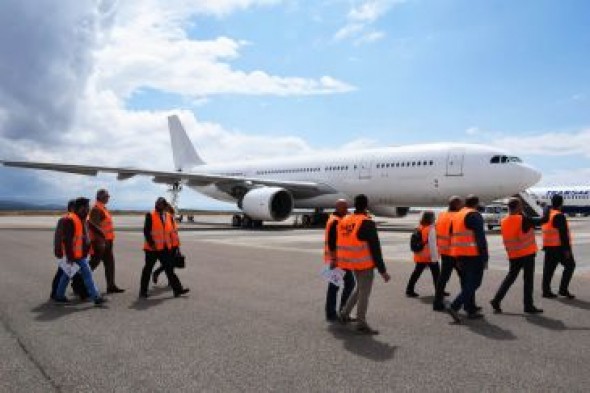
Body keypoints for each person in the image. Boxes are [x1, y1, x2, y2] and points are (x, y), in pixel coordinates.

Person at [338, 194, 391, 335]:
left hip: (351, 262)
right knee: (364, 294)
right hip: (364, 263)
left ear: (354, 205)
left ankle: (344, 313)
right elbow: (375, 248)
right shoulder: (366, 222)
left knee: (359, 289)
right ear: (366, 206)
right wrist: (383, 271)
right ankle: (361, 323)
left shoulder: (346, 219)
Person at [490, 198, 543, 313]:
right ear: (518, 207)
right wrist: (547, 208)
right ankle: (528, 306)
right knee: (528, 281)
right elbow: (543, 220)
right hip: (527, 254)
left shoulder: (504, 221)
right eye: (521, 205)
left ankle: (496, 300)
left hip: (513, 254)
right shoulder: (522, 219)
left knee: (510, 278)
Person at [54, 197, 106, 305]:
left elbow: (92, 227)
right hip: (75, 255)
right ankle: (96, 297)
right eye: (87, 207)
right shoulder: (70, 220)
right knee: (87, 275)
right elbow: (67, 240)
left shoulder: (82, 219)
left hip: (79, 254)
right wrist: (70, 257)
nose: (88, 209)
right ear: (81, 208)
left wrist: (102, 234)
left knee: (66, 275)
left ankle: (59, 295)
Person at [446, 195, 487, 322]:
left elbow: (452, 235)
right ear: (476, 203)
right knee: (475, 283)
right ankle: (454, 306)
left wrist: (457, 256)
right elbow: (480, 238)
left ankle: (470, 309)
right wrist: (484, 257)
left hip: (461, 255)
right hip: (474, 255)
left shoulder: (458, 215)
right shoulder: (474, 215)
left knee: (468, 283)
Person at [139, 197, 189, 298]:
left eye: (160, 204)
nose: (157, 205)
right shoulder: (150, 215)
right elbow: (146, 231)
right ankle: (143, 292)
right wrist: (152, 244)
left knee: (170, 269)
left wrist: (175, 246)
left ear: (164, 205)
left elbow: (172, 233)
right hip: (151, 249)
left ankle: (178, 290)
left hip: (164, 249)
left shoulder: (169, 216)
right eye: (156, 203)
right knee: (147, 269)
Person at [88, 189, 125, 294]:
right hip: (100, 243)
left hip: (107, 241)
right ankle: (77, 284)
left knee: (109, 263)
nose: (108, 198)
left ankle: (111, 286)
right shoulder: (96, 209)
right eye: (106, 196)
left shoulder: (103, 208)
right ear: (100, 197)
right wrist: (101, 243)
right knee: (93, 263)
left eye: (108, 196)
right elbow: (94, 227)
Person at [324, 199, 355, 322]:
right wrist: (333, 259)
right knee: (336, 286)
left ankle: (341, 311)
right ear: (338, 208)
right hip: (337, 261)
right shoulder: (335, 222)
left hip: (343, 260)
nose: (347, 210)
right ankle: (334, 313)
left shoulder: (338, 219)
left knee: (345, 285)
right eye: (344, 207)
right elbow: (332, 244)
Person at [50, 199, 88, 300]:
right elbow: (59, 237)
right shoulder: (65, 220)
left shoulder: (79, 219)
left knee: (69, 272)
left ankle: (80, 292)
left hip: (75, 253)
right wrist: (59, 251)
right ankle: (83, 293)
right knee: (67, 272)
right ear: (72, 208)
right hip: (67, 253)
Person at [542, 194, 576, 299]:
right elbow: (563, 234)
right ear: (561, 203)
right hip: (559, 247)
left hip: (548, 246)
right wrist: (566, 250)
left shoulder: (548, 213)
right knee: (570, 266)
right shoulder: (559, 215)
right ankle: (563, 289)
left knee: (548, 270)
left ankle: (546, 292)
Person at [432, 196, 462, 311]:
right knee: (465, 278)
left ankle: (437, 303)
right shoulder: (456, 217)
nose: (462, 206)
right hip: (454, 252)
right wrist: (459, 255)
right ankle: (469, 304)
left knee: (443, 278)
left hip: (444, 251)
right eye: (460, 204)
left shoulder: (441, 215)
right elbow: (455, 237)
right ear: (455, 205)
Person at [406, 211, 440, 297]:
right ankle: (439, 291)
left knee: (416, 273)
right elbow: (432, 245)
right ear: (431, 218)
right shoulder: (431, 229)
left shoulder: (419, 227)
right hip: (429, 256)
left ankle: (409, 289)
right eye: (434, 217)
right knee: (437, 274)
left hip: (420, 255)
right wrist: (434, 258)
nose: (435, 218)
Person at [152, 203, 181, 285]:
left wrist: (178, 246)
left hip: (173, 245)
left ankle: (168, 280)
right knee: (168, 264)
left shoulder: (170, 219)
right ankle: (157, 273)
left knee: (170, 264)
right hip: (168, 245)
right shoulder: (165, 219)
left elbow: (175, 233)